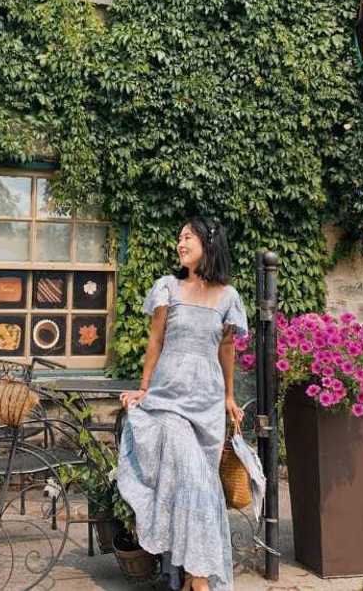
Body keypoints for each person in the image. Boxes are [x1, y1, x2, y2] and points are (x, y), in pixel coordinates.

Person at [117, 217, 248, 591]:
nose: (180, 243)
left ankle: (190, 573)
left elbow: (226, 348)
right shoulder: (168, 287)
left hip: (207, 402)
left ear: (209, 244)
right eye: (179, 237)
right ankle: (201, 577)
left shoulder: (228, 297)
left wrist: (228, 396)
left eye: (188, 237)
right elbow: (155, 341)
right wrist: (144, 388)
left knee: (200, 487)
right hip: (168, 399)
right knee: (192, 476)